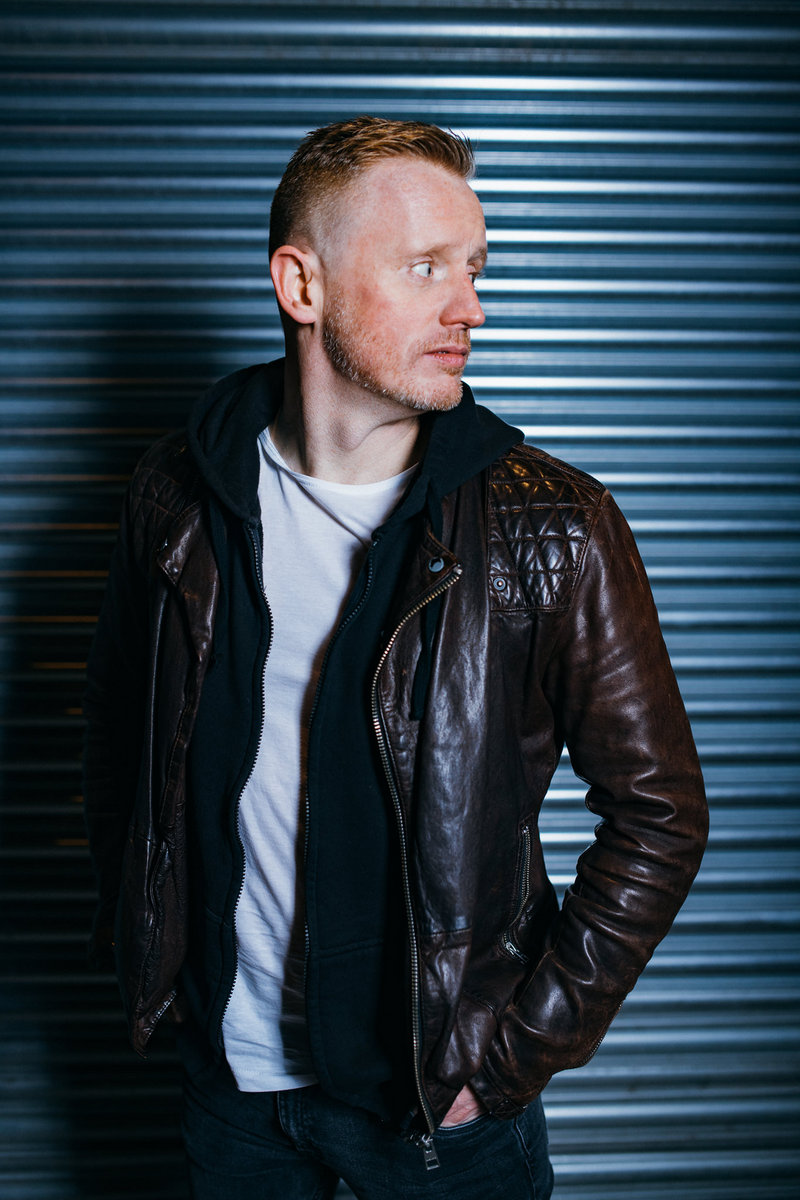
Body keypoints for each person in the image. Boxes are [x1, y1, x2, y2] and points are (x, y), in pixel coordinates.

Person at [83, 116, 708, 1200]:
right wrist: (158, 960)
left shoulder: (551, 527)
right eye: (425, 268)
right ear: (302, 285)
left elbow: (661, 813)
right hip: (230, 1091)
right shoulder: (176, 500)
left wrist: (511, 1054)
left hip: (439, 1113)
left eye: (473, 268)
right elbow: (118, 749)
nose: (470, 307)